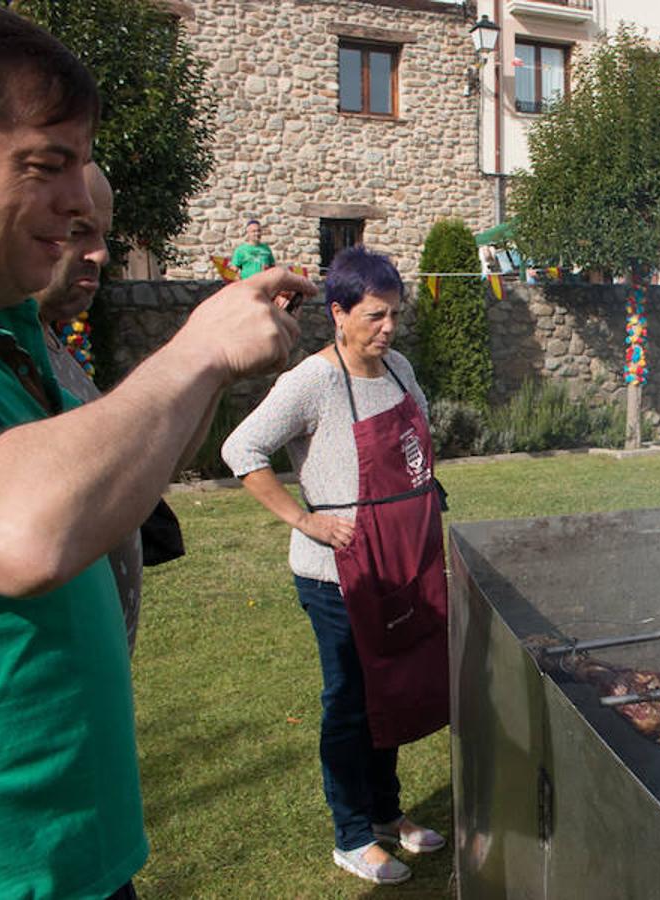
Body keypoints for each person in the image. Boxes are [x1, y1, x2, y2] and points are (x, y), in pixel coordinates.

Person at [0, 4, 309, 897]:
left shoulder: (10, 341)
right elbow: (20, 532)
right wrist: (197, 350)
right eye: (45, 165)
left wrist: (213, 370)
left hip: (80, 856)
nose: (78, 206)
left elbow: (114, 475)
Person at [222, 247, 447, 886]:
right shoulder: (312, 382)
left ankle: (384, 814)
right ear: (339, 313)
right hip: (336, 575)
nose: (389, 329)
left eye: (395, 315)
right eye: (376, 316)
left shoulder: (398, 369)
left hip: (398, 563)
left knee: (392, 687)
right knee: (349, 698)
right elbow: (241, 448)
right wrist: (306, 520)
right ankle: (350, 835)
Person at [30, 161, 145, 654]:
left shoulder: (44, 343)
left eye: (103, 233)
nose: (99, 253)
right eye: (78, 230)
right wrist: (203, 352)